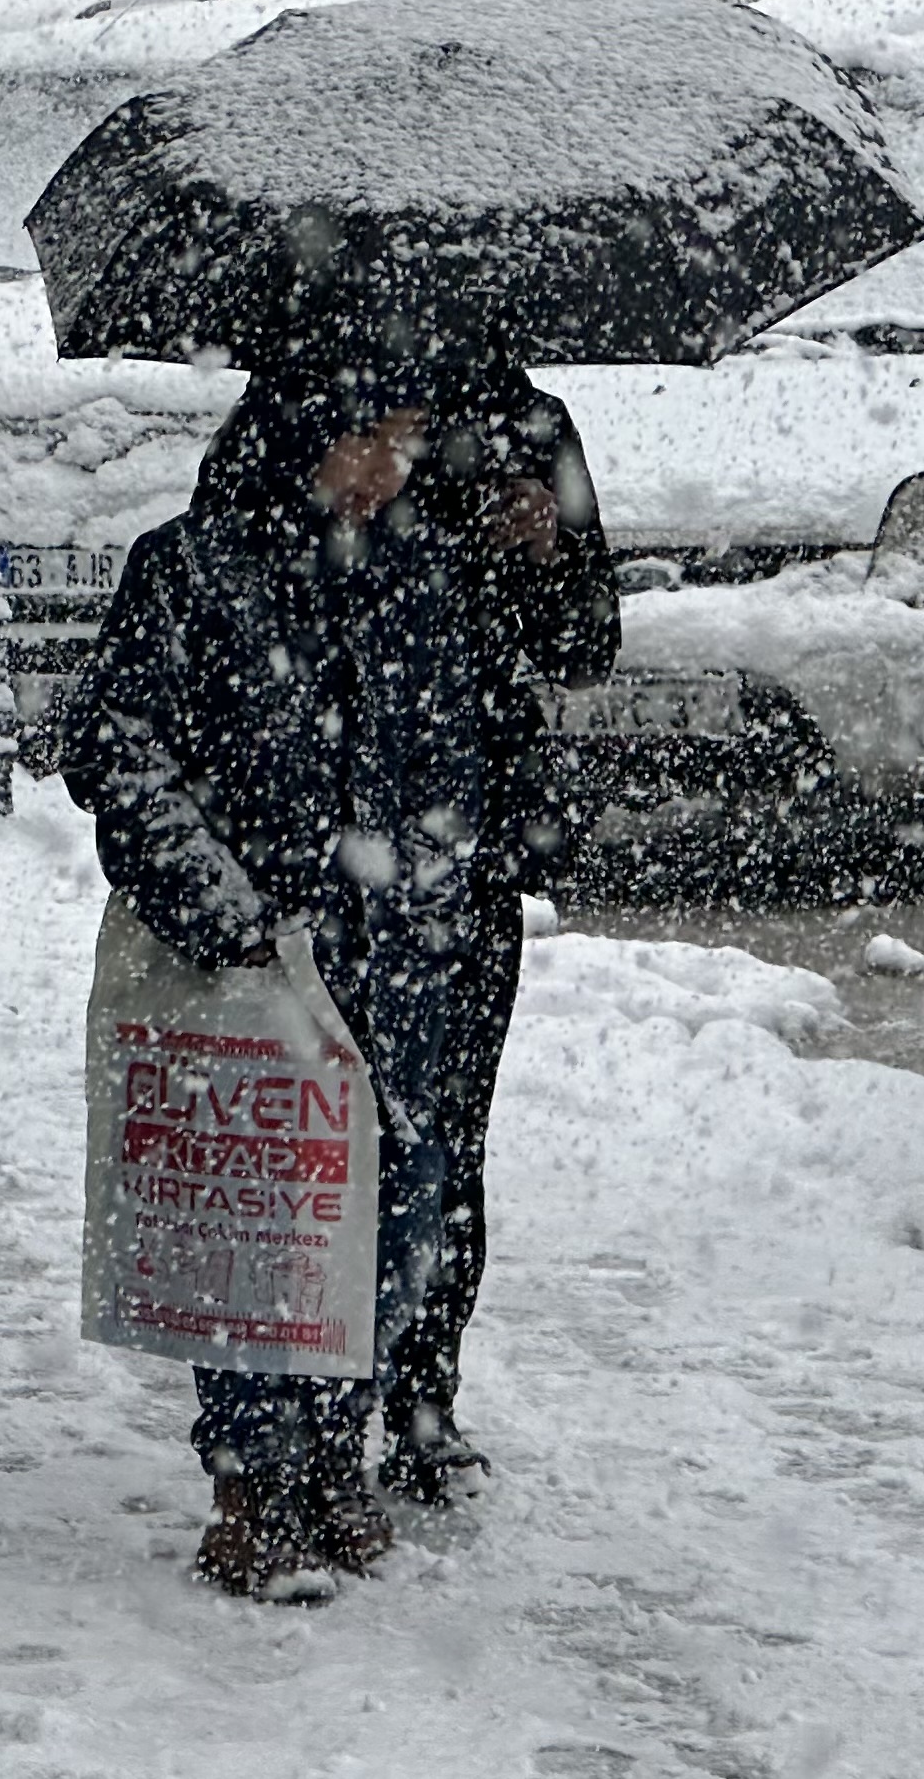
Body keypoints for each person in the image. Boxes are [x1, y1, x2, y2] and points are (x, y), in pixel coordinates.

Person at [63, 339, 615, 1600]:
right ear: (301, 436)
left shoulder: (411, 572)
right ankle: (252, 1485)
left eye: (408, 442)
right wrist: (227, 909)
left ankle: (334, 1459)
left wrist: (427, 881)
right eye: (373, 439)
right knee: (263, 1217)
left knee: (389, 1206)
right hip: (257, 963)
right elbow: (115, 748)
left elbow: (455, 751)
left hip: (396, 959)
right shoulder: (191, 571)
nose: (392, 469)